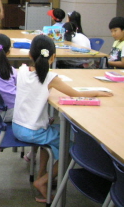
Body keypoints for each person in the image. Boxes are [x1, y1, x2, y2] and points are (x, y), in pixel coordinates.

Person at [12, 35, 112, 202]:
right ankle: (42, 181)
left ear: (30, 55)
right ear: (53, 57)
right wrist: (97, 92)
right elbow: (77, 95)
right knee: (72, 149)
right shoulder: (51, 78)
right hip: (32, 131)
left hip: (18, 126)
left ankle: (43, 173)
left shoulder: (22, 70)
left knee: (52, 132)